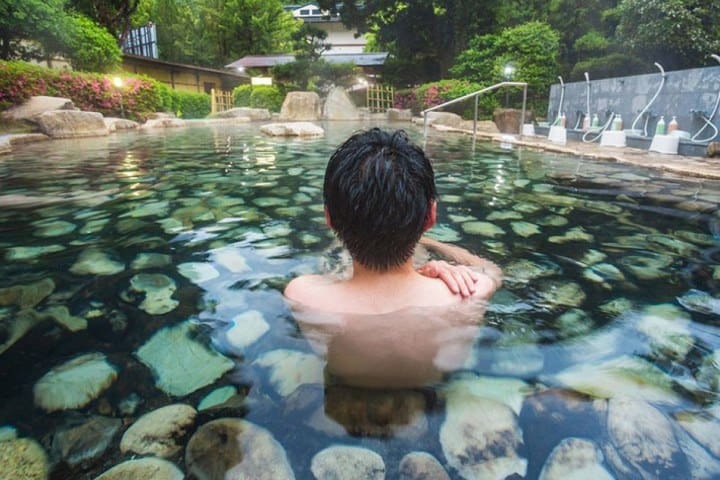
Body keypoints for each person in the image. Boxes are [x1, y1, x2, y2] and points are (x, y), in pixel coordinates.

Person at [284, 128, 502, 387]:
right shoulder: (470, 292)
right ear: (431, 216)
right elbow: (493, 271)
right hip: (434, 388)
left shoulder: (301, 294)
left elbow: (336, 282)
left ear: (329, 218)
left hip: (346, 389)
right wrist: (435, 256)